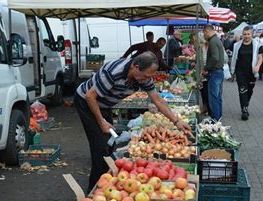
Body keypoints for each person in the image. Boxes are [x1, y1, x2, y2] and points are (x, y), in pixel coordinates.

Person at [75, 52, 192, 191]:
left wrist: (177, 121)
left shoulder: (143, 77)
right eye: (146, 76)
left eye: (149, 77)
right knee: (100, 147)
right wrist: (101, 122)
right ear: (135, 66)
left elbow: (158, 100)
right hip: (86, 102)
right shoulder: (113, 72)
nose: (146, 80)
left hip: (104, 105)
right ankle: (95, 190)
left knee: (110, 142)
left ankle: (108, 177)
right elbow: (90, 96)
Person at [230, 26, 263, 121]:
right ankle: (244, 110)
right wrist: (232, 71)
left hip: (251, 72)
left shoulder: (257, 44)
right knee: (242, 90)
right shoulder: (237, 45)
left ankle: (246, 104)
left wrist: (257, 66)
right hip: (240, 71)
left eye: (248, 34)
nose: (246, 36)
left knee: (249, 91)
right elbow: (233, 57)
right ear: (242, 34)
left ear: (251, 34)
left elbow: (260, 57)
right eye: (245, 34)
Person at [202, 24, 226, 121]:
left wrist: (206, 68)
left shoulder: (213, 41)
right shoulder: (216, 40)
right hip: (218, 72)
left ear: (207, 31)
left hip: (215, 72)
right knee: (217, 97)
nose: (204, 36)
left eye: (204, 33)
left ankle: (215, 119)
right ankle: (218, 117)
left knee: (213, 97)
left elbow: (215, 57)